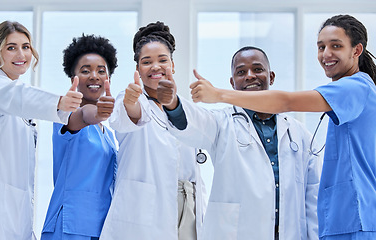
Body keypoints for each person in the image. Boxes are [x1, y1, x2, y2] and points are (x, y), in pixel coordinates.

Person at [189, 14, 376, 240]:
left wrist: (219, 94)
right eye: (321, 47)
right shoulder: (350, 91)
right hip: (345, 216)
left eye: (336, 46)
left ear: (356, 51)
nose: (326, 54)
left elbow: (286, 102)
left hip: (354, 216)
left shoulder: (354, 88)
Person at [157, 46, 321, 240]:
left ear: (272, 76)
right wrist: (172, 103)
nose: (250, 76)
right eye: (241, 72)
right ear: (232, 82)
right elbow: (191, 122)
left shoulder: (298, 133)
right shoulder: (220, 123)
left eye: (258, 69)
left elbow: (313, 197)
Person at [0, 20, 82, 240]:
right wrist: (60, 102)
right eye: (11, 47)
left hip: (17, 210)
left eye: (25, 47)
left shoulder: (15, 97)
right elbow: (21, 96)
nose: (21, 54)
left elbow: (22, 99)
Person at [99, 21, 206, 240]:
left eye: (162, 60)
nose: (155, 66)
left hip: (189, 209)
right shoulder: (131, 98)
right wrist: (131, 101)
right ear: (138, 69)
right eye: (146, 62)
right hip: (145, 212)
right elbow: (128, 116)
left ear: (173, 65)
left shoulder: (185, 108)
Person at [41, 34, 118, 240]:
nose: (94, 76)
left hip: (101, 227)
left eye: (101, 71)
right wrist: (99, 113)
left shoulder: (109, 136)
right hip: (68, 226)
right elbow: (85, 115)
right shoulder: (66, 115)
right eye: (85, 71)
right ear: (72, 77)